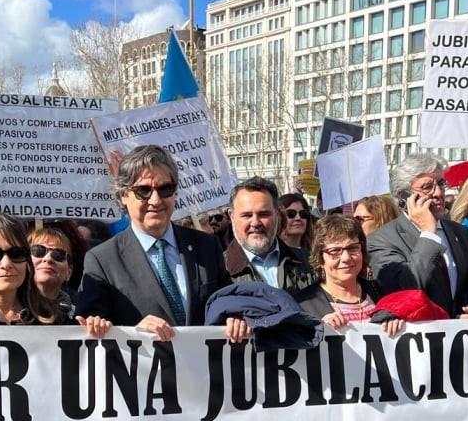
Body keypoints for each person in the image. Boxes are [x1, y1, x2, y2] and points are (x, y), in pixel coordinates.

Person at [75, 145, 247, 344]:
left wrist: (235, 318)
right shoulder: (103, 259)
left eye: (165, 189)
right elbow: (90, 330)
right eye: (143, 191)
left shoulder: (206, 246)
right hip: (144, 371)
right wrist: (133, 332)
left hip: (205, 371)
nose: (156, 200)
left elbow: (226, 302)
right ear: (123, 195)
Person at [366, 152, 468, 318]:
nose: (438, 193)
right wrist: (428, 234)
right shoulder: (381, 240)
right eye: (427, 187)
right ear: (403, 197)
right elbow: (406, 289)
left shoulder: (460, 232)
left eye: (441, 183)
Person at [295, 213, 404, 337]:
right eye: (335, 251)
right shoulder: (303, 305)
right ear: (320, 258)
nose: (346, 258)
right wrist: (316, 330)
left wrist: (398, 323)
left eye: (353, 248)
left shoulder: (382, 292)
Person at [224, 177, 315, 293]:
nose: (255, 223)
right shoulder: (218, 270)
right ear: (232, 216)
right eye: (246, 215)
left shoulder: (309, 262)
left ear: (277, 214)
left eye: (263, 214)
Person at [29, 225, 78, 316]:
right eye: (38, 251)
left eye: (58, 255)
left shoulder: (82, 313)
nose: (48, 259)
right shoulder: (9, 307)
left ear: (69, 272)